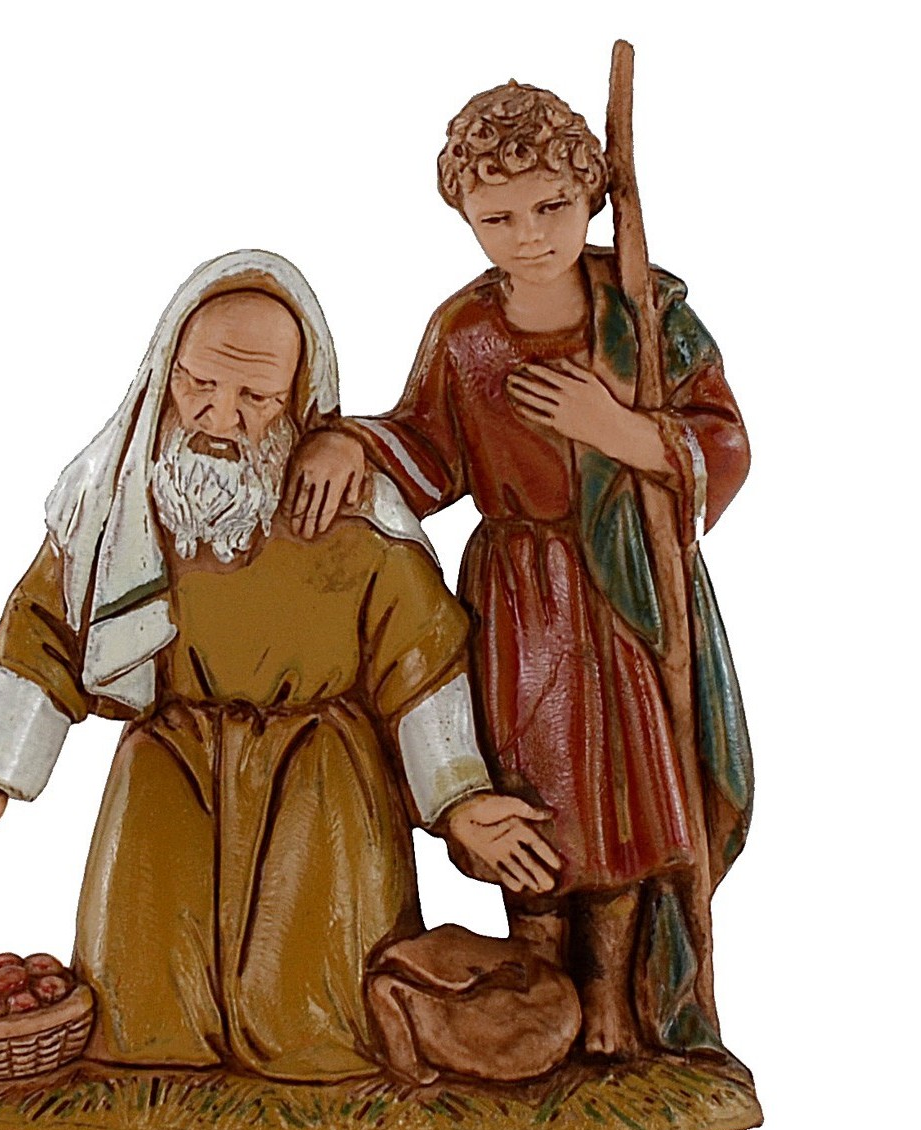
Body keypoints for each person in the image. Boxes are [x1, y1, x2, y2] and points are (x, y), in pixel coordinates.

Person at [0, 250, 562, 1082]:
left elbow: (419, 660)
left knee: (311, 1019)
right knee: (144, 1016)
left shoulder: (356, 509)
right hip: (167, 770)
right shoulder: (115, 505)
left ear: (298, 396)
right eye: (200, 384)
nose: (220, 415)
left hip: (319, 778)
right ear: (165, 368)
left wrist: (459, 797)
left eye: (255, 396)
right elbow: (43, 631)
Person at [287, 85, 754, 1057]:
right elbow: (429, 448)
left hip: (626, 593)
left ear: (593, 193)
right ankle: (542, 992)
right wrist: (350, 443)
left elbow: (722, 439)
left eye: (552, 206)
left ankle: (617, 1007)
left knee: (624, 796)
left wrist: (620, 430)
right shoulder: (467, 331)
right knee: (535, 791)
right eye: (498, 218)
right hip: (519, 604)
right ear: (463, 214)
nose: (530, 235)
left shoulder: (644, 312)